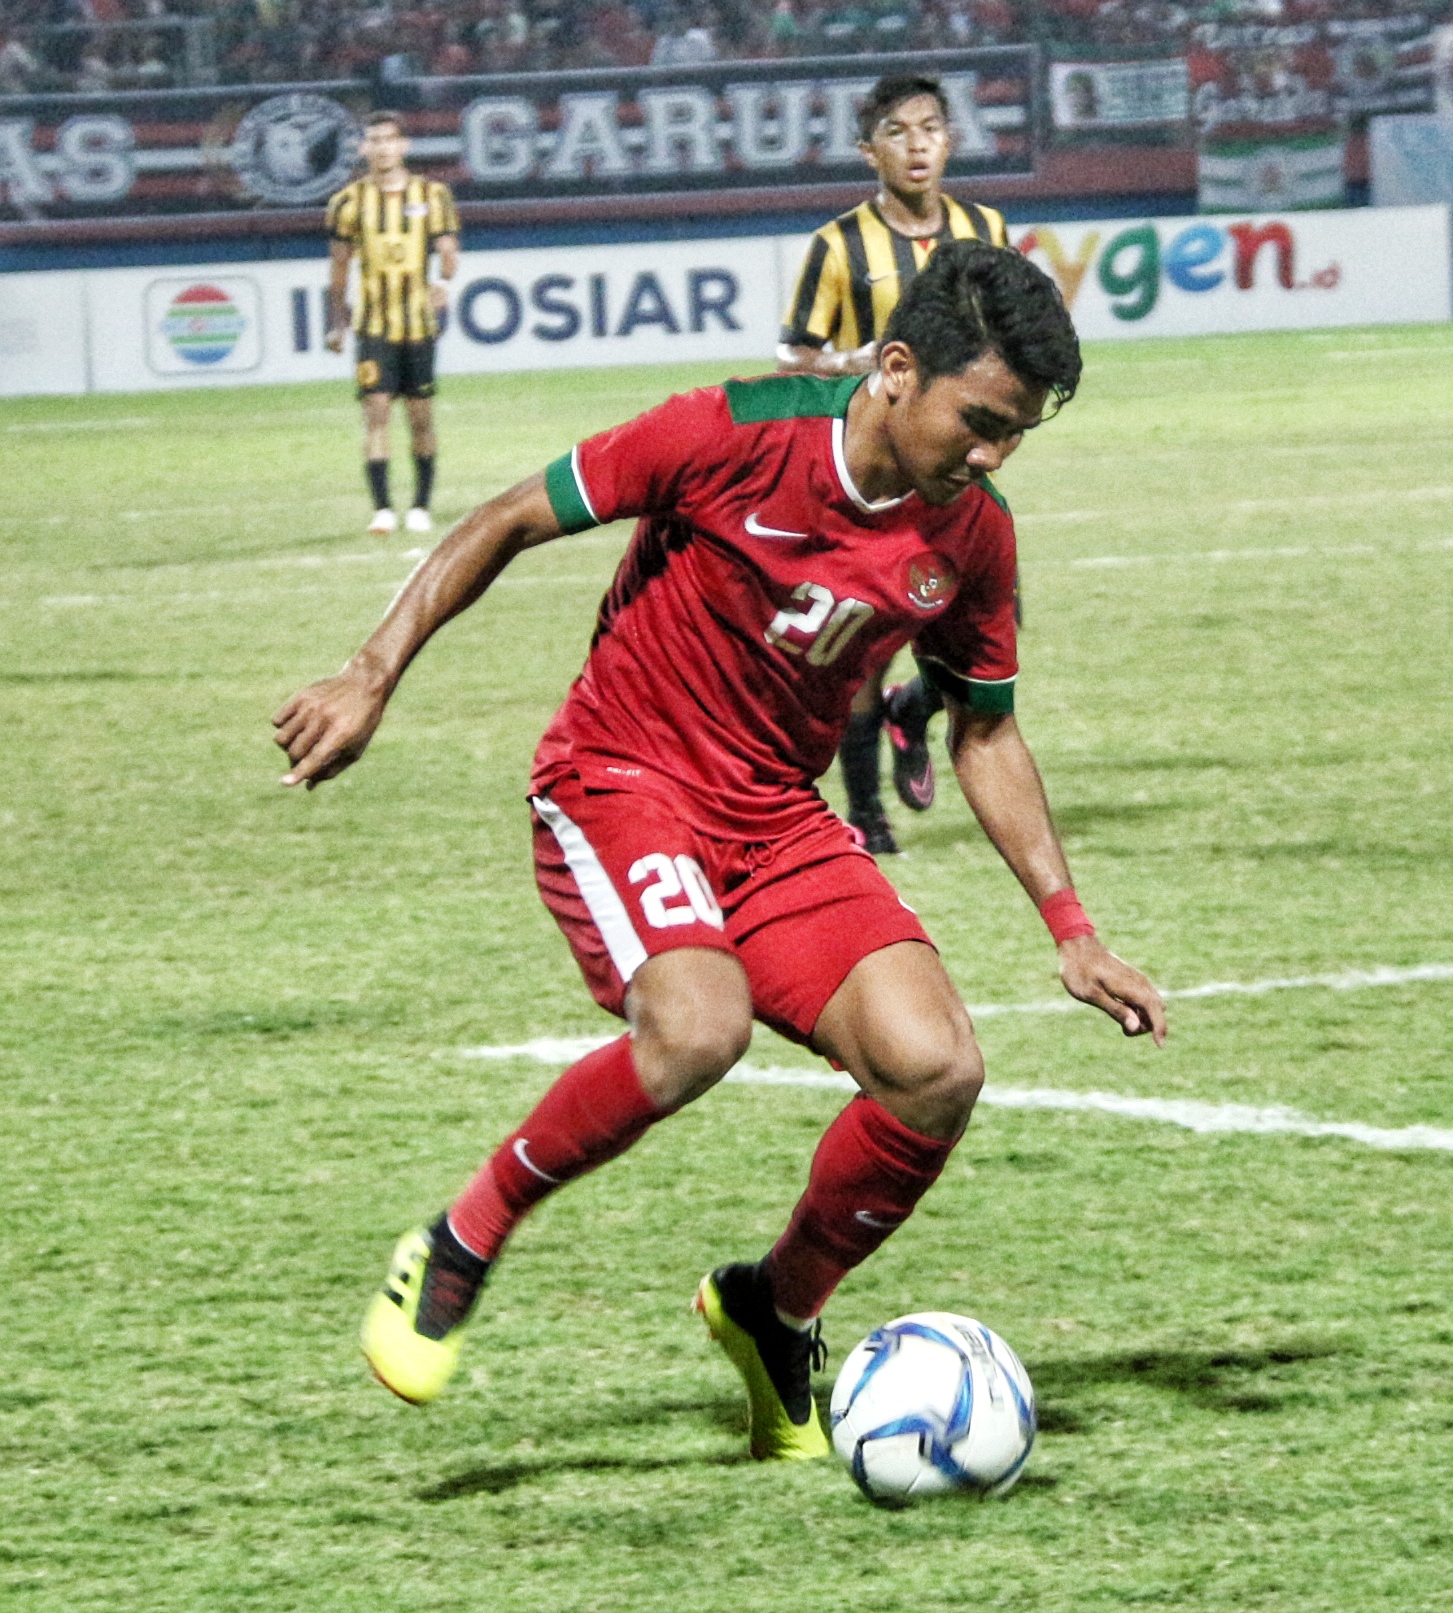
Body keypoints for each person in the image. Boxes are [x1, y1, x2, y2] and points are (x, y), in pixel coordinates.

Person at [275, 244, 1166, 1456]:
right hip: (618, 779)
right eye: (982, 421)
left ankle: (773, 1309)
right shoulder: (731, 432)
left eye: (1014, 434)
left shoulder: (973, 536)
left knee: (934, 1069)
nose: (993, 454)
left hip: (773, 817)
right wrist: (371, 672)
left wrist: (1073, 931)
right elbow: (508, 518)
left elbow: (985, 729)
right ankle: (461, 1237)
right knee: (698, 1027)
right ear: (897, 370)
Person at [776, 74, 1012, 855]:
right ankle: (867, 818)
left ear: (949, 140)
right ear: (868, 149)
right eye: (898, 132)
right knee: (862, 656)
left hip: (958, 481)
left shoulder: (986, 229)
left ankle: (919, 711)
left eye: (931, 129)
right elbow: (795, 366)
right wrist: (859, 362)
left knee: (991, 636)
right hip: (871, 486)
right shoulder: (837, 246)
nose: (917, 146)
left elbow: (1010, 341)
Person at [325, 112, 459, 535]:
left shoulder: (432, 194)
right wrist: (336, 322)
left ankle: (420, 505)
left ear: (403, 146)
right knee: (376, 411)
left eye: (389, 139)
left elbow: (449, 252)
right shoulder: (348, 202)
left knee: (420, 417)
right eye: (373, 140)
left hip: (418, 325)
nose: (382, 148)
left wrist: (443, 281)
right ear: (364, 149)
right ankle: (382, 509)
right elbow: (339, 268)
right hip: (373, 326)